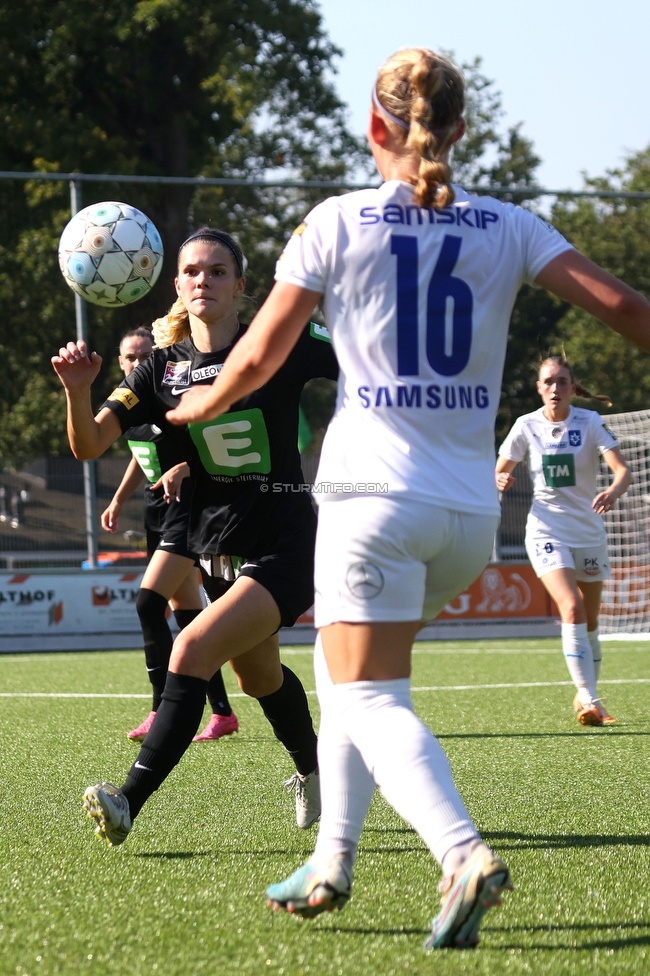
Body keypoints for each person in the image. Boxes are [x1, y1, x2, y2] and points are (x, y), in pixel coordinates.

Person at [163, 48, 650, 949]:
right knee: (350, 681)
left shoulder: (338, 221)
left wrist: (198, 402)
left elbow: (260, 356)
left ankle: (462, 853)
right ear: (461, 131)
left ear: (374, 128)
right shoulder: (512, 225)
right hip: (467, 519)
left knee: (371, 695)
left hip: (368, 502)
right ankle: (332, 860)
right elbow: (628, 308)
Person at [52, 228, 337, 840]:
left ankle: (128, 798)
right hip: (217, 546)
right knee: (258, 677)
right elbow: (89, 444)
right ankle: (317, 772)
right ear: (176, 285)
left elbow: (369, 363)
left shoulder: (279, 342)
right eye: (192, 272)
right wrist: (77, 392)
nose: (203, 280)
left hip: (286, 540)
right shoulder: (158, 369)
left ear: (241, 285)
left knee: (190, 648)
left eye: (217, 271)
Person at [102, 327, 238, 742]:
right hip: (155, 515)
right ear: (120, 363)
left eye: (146, 355)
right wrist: (119, 499)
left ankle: (161, 708)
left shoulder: (168, 397)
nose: (138, 363)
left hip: (186, 513)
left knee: (148, 606)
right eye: (130, 357)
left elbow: (204, 444)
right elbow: (139, 456)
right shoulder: (130, 407)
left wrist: (187, 468)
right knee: (187, 617)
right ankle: (222, 713)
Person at [496, 356, 631, 726]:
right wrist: (501, 480)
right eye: (548, 382)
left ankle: (586, 695)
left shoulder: (590, 422)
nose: (555, 388)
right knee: (570, 606)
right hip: (546, 530)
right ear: (539, 388)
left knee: (589, 621)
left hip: (588, 531)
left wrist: (613, 491)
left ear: (573, 387)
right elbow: (501, 471)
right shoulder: (526, 426)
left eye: (562, 381)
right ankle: (590, 698)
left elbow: (623, 471)